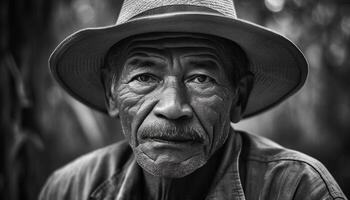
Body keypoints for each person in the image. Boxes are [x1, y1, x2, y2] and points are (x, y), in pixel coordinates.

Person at [40, 0, 347, 199]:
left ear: (239, 97)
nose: (172, 108)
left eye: (201, 78)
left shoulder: (297, 189)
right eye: (145, 77)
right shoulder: (68, 189)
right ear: (111, 92)